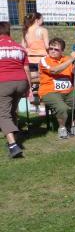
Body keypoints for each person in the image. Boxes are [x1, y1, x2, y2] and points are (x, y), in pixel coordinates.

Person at [39, 38, 75, 139]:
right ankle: (62, 128)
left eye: (56, 49)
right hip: (50, 92)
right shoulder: (44, 60)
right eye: (51, 48)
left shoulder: (66, 59)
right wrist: (71, 60)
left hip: (69, 91)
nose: (52, 51)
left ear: (62, 51)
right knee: (62, 108)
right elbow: (54, 71)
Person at [0, 22, 30, 158]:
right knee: (12, 111)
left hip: (3, 82)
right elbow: (26, 69)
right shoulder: (20, 47)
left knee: (3, 114)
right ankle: (15, 136)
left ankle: (13, 146)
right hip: (21, 82)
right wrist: (29, 87)